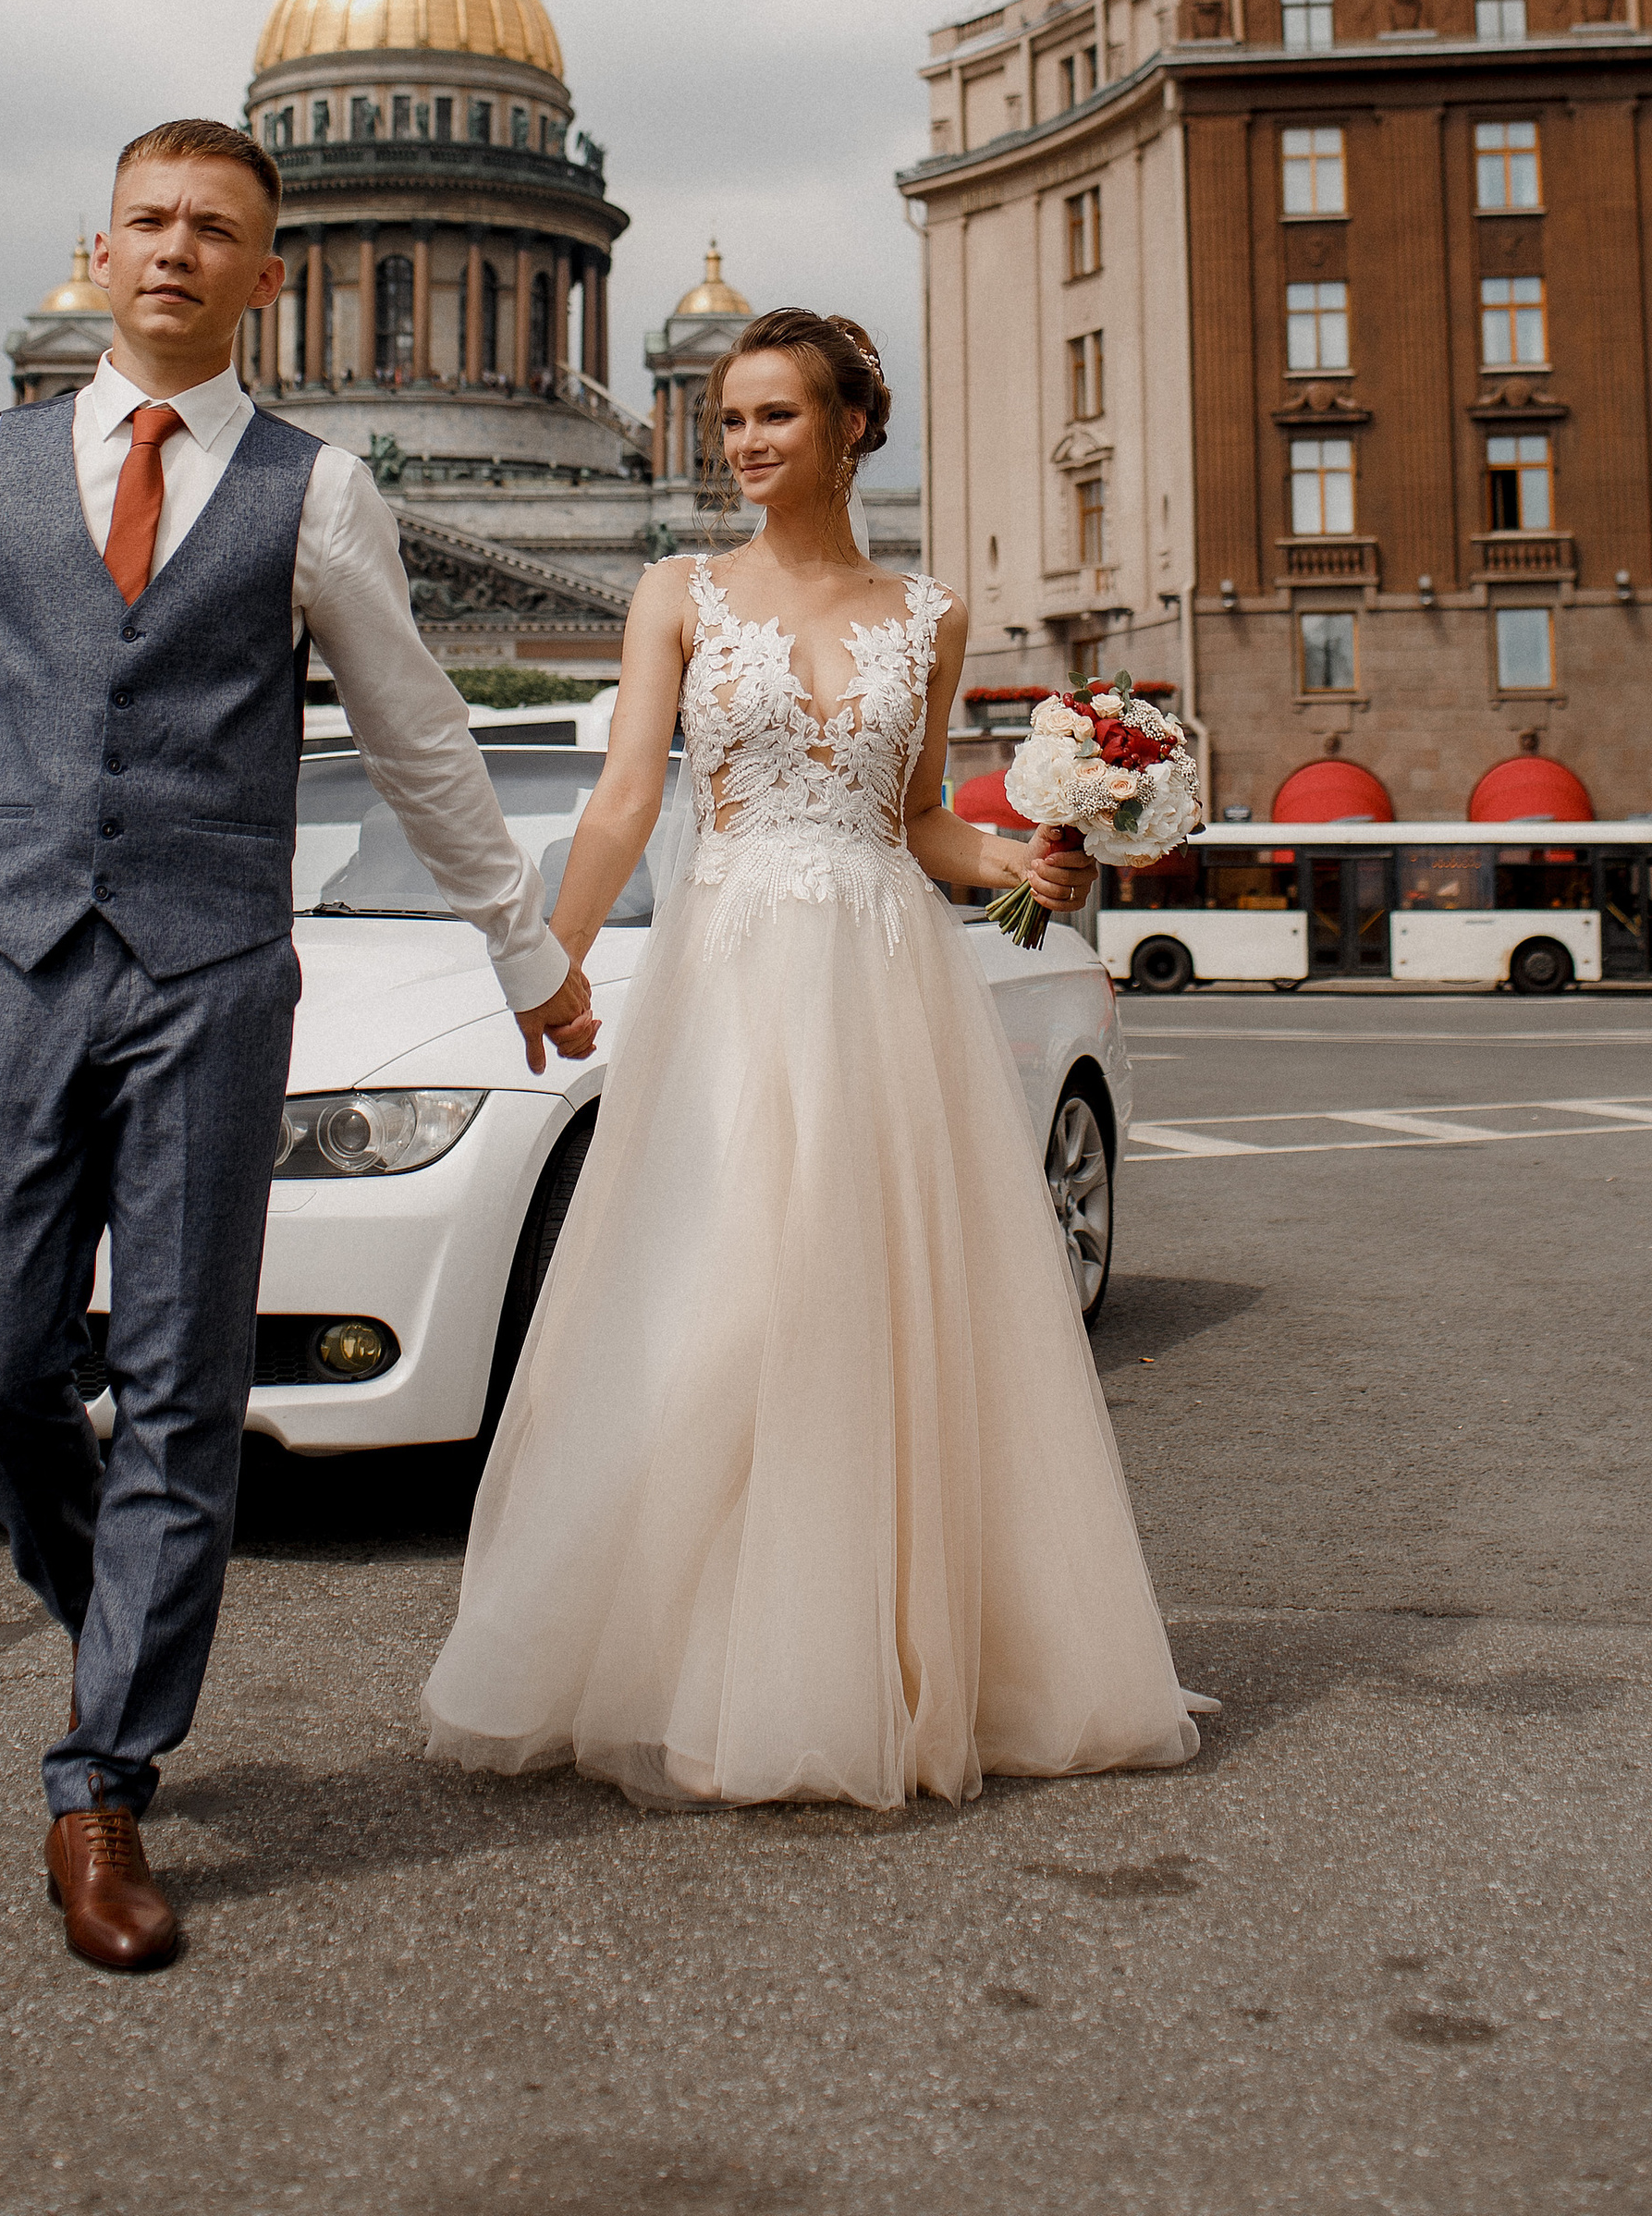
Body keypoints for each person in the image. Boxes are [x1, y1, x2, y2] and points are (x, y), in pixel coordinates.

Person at [0, 117, 595, 1970]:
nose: (173, 252)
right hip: (1, 962)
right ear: (100, 246)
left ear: (267, 274)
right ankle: (118, 1616)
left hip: (213, 975)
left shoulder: (316, 495)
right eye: (148, 221)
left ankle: (103, 1779)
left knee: (176, 1384)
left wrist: (522, 944)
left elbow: (417, 741)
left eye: (212, 229)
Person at [422, 307, 1208, 1808]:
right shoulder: (676, 593)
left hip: (882, 978)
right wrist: (549, 957)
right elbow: (620, 803)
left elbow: (920, 821)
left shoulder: (932, 613)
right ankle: (690, 1656)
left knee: (864, 1305)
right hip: (731, 978)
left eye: (777, 415)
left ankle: (866, 1663)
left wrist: (1027, 871)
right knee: (722, 1302)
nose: (745, 444)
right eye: (730, 419)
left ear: (853, 428)